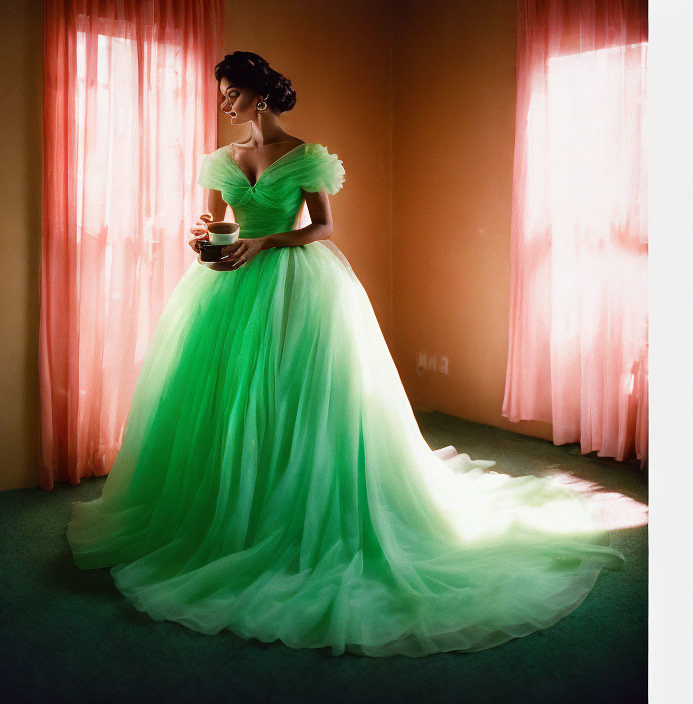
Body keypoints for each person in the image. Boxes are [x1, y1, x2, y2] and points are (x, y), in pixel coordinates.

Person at [66, 50, 625, 657]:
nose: (224, 102)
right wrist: (205, 237)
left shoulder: (305, 156)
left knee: (296, 394)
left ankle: (289, 511)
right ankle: (227, 511)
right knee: (229, 396)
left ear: (260, 94)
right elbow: (215, 224)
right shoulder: (220, 160)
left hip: (298, 282)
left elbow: (323, 228)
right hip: (229, 289)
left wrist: (266, 240)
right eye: (222, 93)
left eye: (232, 92)